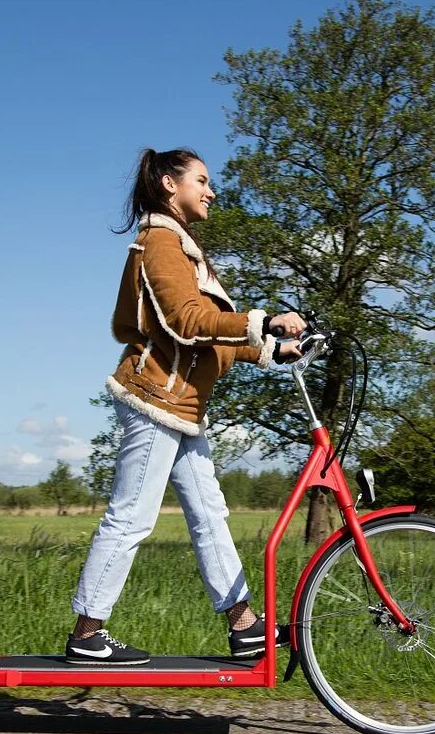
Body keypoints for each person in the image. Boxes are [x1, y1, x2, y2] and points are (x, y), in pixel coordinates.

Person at [66, 148, 306, 665]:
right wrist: (262, 319)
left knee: (210, 514)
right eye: (201, 180)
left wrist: (272, 348)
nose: (211, 191)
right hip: (156, 400)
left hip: (182, 408)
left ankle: (243, 626)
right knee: (130, 517)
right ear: (169, 185)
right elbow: (186, 320)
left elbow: (213, 338)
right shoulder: (160, 241)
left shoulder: (183, 246)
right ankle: (87, 633)